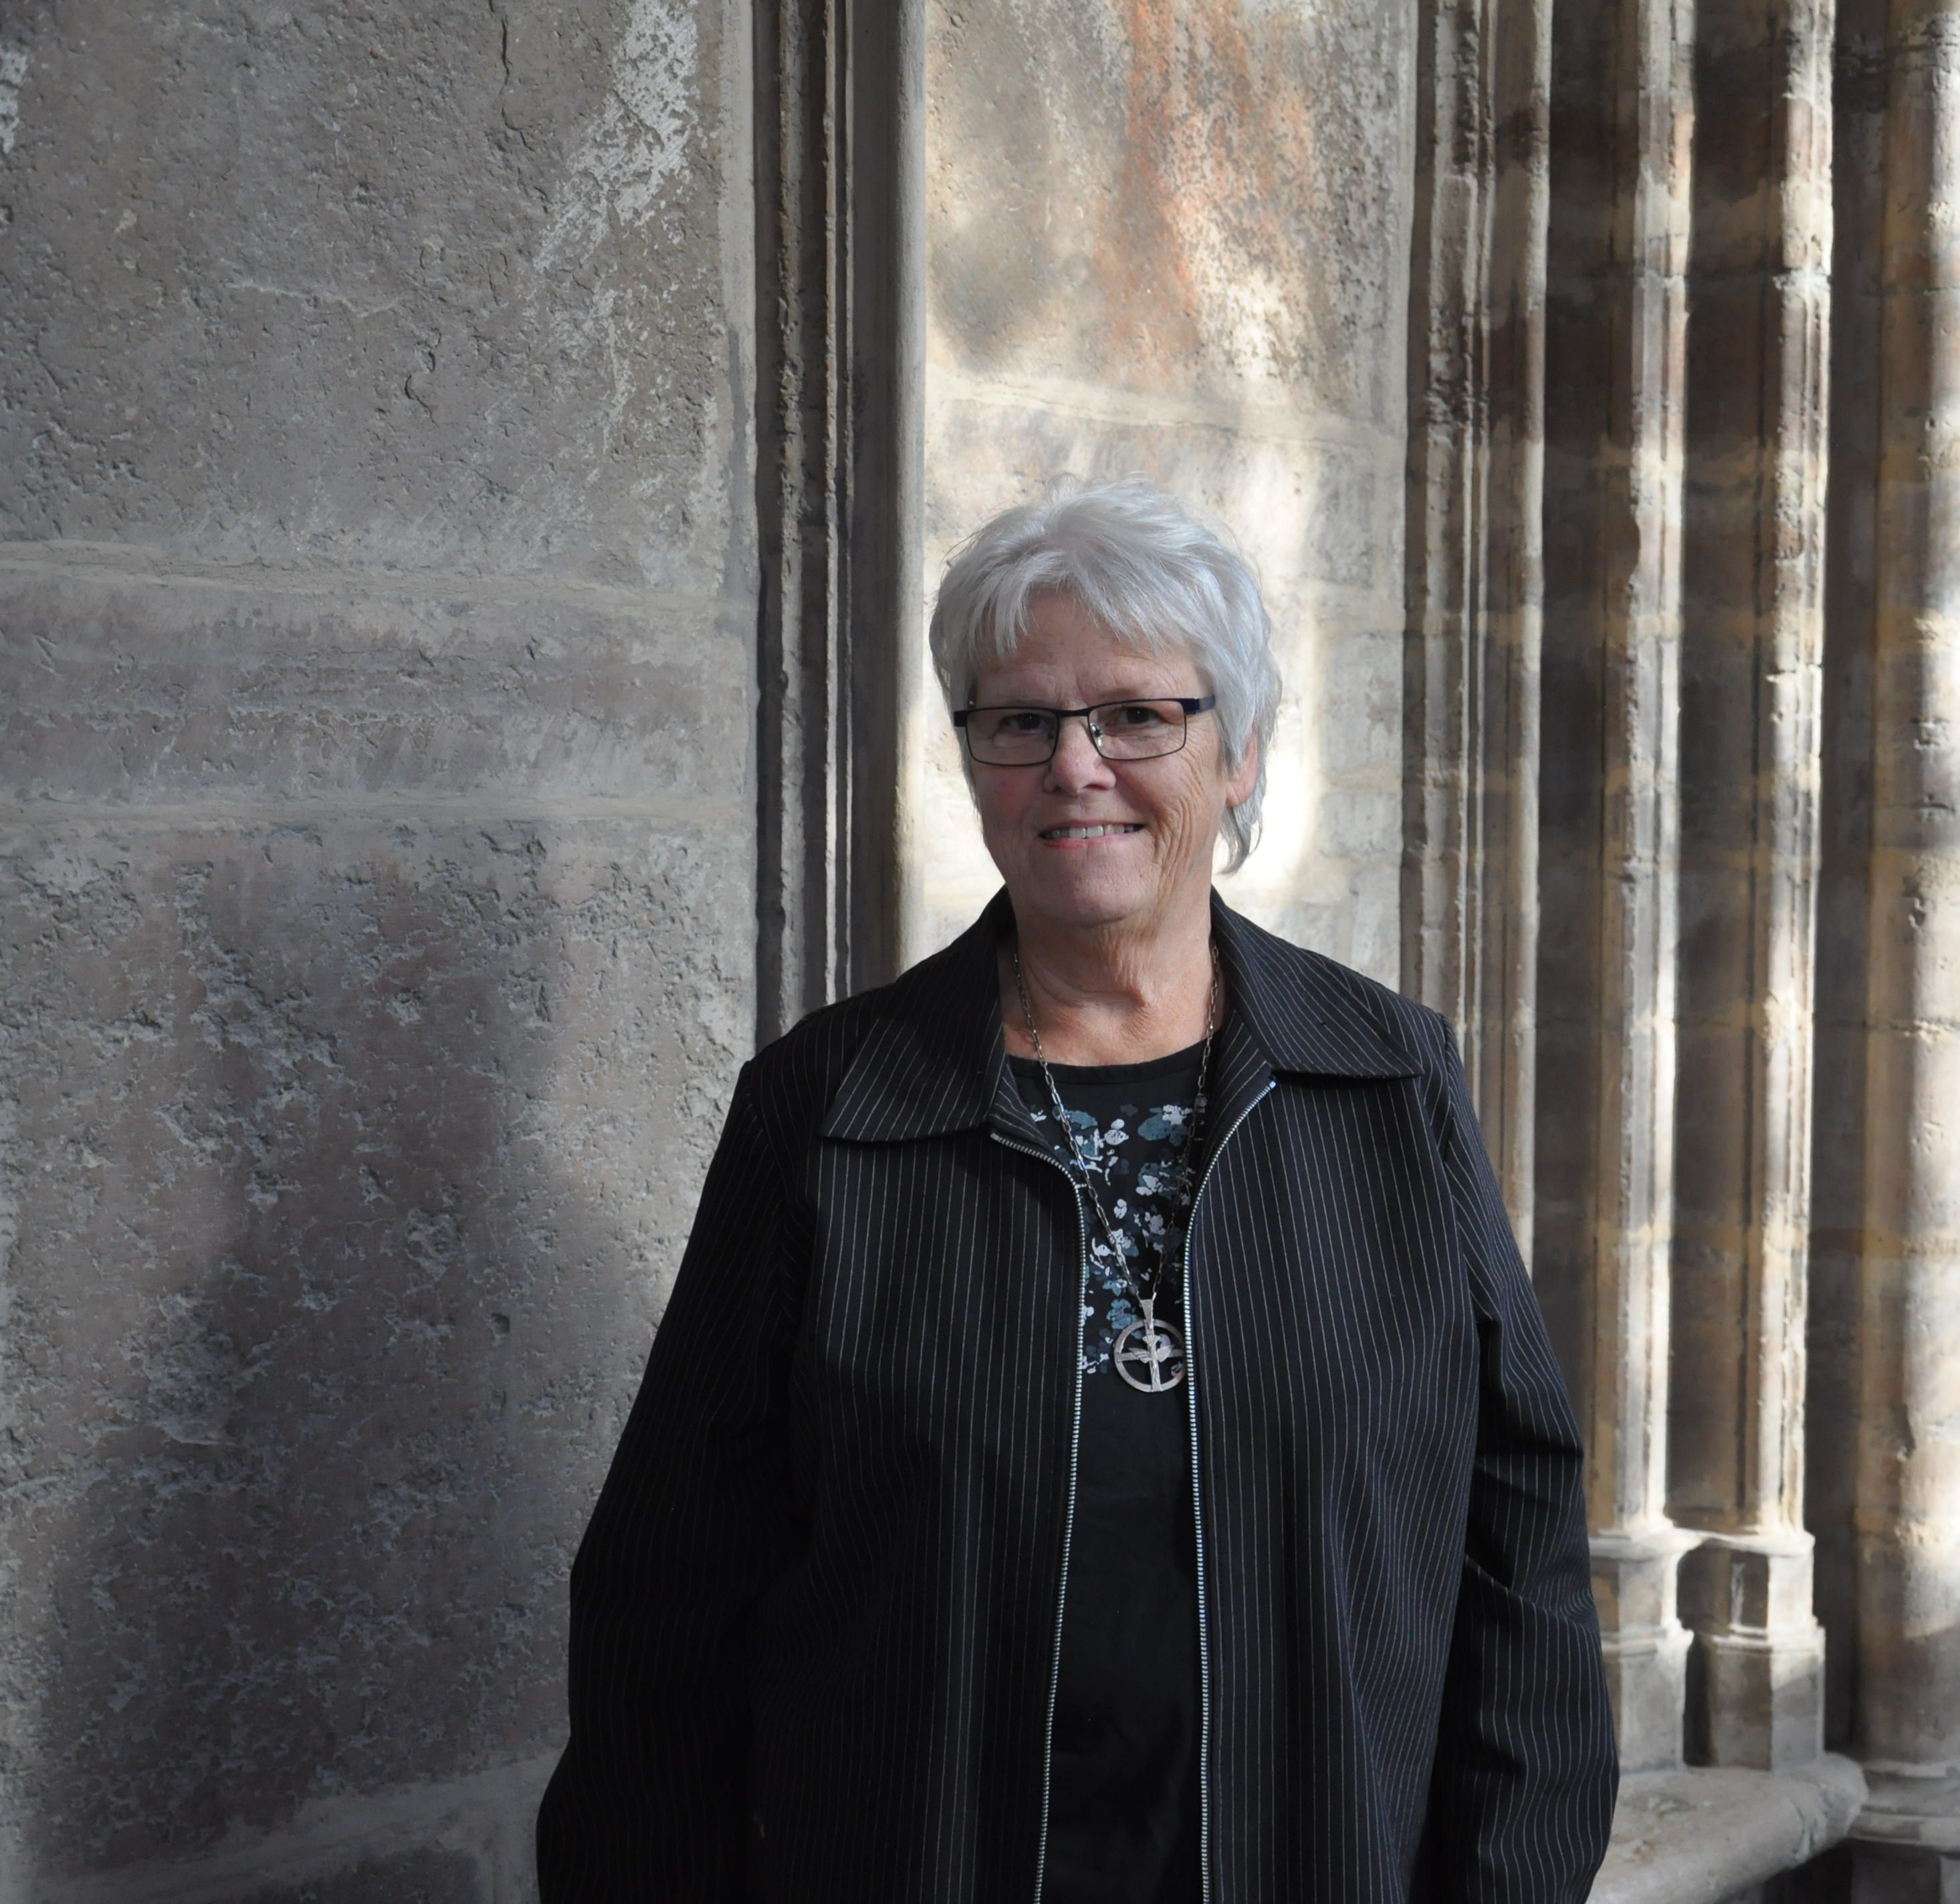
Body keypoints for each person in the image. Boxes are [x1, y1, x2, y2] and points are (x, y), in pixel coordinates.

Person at [536, 477, 1616, 1902]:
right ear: (971, 756)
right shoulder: (829, 1104)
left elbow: (1515, 1544)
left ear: (1235, 755)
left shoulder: (1387, 1080)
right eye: (1018, 721)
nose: (1075, 764)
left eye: (1136, 714)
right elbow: (666, 1600)